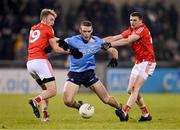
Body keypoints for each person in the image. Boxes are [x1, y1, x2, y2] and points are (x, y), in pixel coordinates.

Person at [26, 8, 82, 122]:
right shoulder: (48, 29)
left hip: (30, 63)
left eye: (54, 20)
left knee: (46, 91)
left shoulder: (34, 28)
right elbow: (55, 49)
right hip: (41, 61)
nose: (53, 22)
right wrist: (71, 52)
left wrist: (60, 40)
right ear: (45, 18)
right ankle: (35, 101)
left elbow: (45, 41)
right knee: (52, 91)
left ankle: (45, 115)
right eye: (51, 19)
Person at [62, 20, 123, 118]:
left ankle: (120, 109)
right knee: (67, 101)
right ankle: (79, 106)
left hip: (89, 74)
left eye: (88, 31)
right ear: (80, 31)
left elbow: (112, 49)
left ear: (92, 30)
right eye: (84, 31)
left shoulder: (97, 41)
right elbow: (58, 44)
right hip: (75, 74)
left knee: (106, 99)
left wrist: (114, 57)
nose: (86, 34)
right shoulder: (72, 40)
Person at [104, 12, 156, 122]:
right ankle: (146, 114)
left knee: (135, 89)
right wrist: (99, 41)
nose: (132, 22)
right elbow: (115, 37)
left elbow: (128, 40)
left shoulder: (142, 30)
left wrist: (110, 45)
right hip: (138, 63)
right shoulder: (130, 30)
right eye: (131, 20)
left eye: (135, 20)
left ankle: (125, 111)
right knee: (130, 90)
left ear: (141, 21)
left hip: (148, 62)